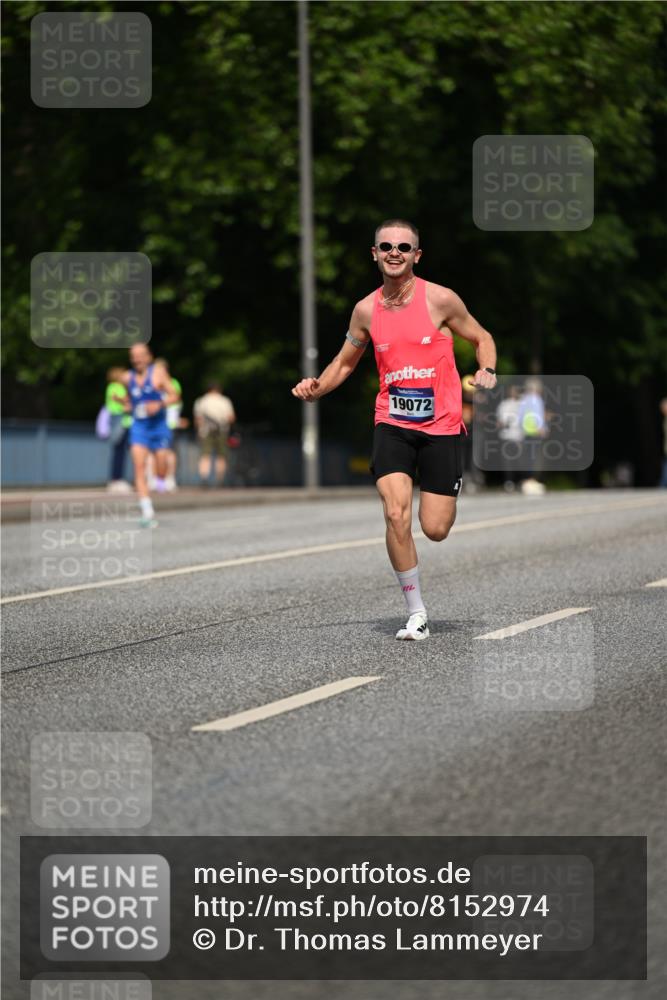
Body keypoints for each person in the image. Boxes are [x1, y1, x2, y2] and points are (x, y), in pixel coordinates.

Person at [292, 219, 497, 640]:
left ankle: (443, 503)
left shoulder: (440, 299)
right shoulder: (366, 310)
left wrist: (488, 370)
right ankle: (416, 612)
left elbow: (482, 338)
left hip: (441, 425)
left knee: (435, 528)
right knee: (395, 513)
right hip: (393, 421)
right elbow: (344, 362)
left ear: (416, 255)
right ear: (375, 254)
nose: (394, 253)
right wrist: (317, 389)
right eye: (386, 246)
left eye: (403, 247)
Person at [119, 343, 179, 527]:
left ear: (149, 356)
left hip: (159, 427)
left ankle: (161, 478)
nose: (137, 359)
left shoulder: (158, 373)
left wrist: (159, 404)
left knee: (161, 466)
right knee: (139, 467)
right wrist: (125, 404)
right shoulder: (126, 377)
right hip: (139, 427)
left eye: (140, 355)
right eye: (133, 356)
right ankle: (147, 511)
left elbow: (175, 395)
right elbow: (130, 400)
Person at [193, 381, 236, 487]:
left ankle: (204, 478)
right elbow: (231, 418)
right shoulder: (225, 401)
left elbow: (198, 419)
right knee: (221, 456)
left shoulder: (201, 401)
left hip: (206, 430)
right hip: (222, 430)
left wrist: (198, 431)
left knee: (205, 455)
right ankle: (220, 480)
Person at [151, 358, 183, 492]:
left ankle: (169, 478)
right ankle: (154, 479)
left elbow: (177, 399)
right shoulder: (151, 382)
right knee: (154, 452)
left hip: (170, 422)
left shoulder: (173, 383)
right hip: (155, 421)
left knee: (169, 452)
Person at [105, 367, 132, 493]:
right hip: (118, 419)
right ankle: (116, 479)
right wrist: (127, 402)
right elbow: (118, 399)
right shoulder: (115, 387)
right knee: (118, 451)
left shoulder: (118, 387)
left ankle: (118, 478)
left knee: (121, 451)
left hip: (123, 421)